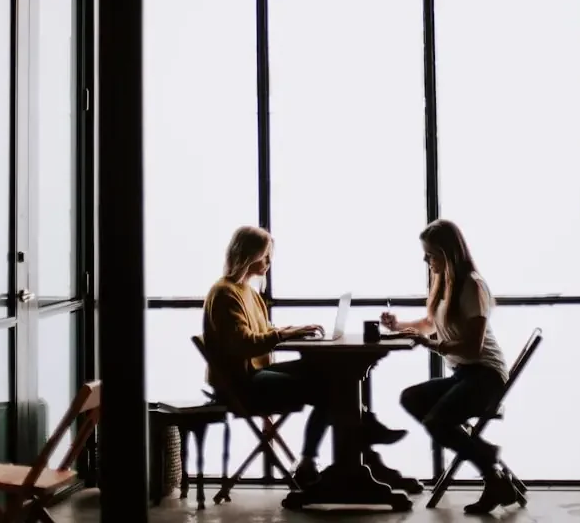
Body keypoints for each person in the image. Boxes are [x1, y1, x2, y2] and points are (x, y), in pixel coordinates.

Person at [203, 225, 405, 487]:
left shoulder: (248, 292)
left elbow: (264, 332)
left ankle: (351, 446)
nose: (269, 262)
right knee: (331, 387)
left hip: (253, 373)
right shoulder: (225, 293)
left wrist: (293, 330)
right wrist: (286, 334)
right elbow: (244, 344)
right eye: (264, 255)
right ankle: (356, 443)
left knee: (331, 375)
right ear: (248, 255)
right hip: (240, 384)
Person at [381, 219, 518, 515]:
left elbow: (472, 347)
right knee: (411, 398)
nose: (425, 260)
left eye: (430, 254)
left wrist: (431, 345)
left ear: (448, 254)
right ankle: (490, 466)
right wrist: (399, 326)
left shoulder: (472, 285)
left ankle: (489, 467)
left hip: (486, 376)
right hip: (465, 374)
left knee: (437, 422)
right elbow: (431, 324)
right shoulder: (446, 283)